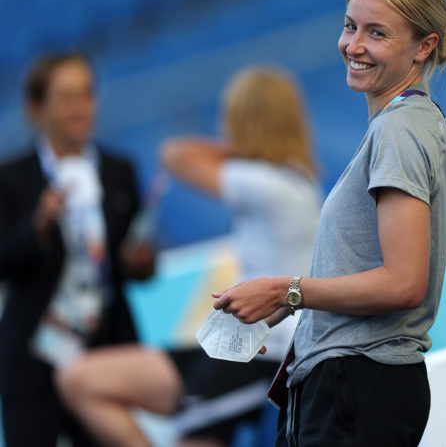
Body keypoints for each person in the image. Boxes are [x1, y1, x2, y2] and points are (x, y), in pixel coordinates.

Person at [211, 0, 446, 446]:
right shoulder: (405, 123)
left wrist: (286, 292)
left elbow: (403, 283)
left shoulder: (401, 128)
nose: (354, 45)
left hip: (357, 384)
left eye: (377, 33)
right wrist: (295, 306)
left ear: (425, 46)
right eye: (351, 26)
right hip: (352, 383)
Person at [56, 68, 322, 447]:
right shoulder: (295, 180)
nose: (221, 128)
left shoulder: (266, 183)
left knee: (82, 381)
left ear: (249, 124)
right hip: (232, 347)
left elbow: (174, 155)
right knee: (79, 379)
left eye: (230, 120)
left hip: (262, 356)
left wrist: (242, 146)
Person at [0, 52, 155, 447]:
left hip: (106, 349)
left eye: (87, 94)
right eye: (66, 97)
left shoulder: (119, 170)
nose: (80, 107)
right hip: (34, 358)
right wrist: (38, 223)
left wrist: (139, 261)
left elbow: (134, 267)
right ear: (38, 107)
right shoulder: (12, 178)